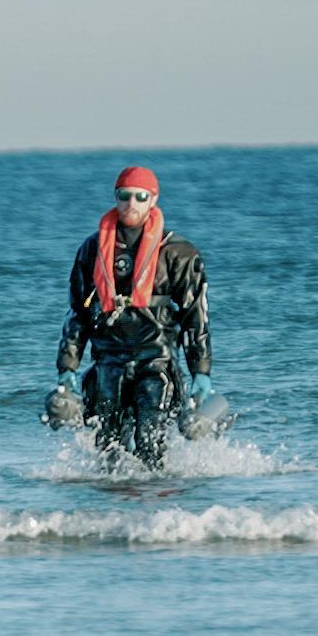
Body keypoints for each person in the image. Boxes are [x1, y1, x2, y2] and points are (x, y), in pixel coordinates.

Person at [54, 165, 212, 469]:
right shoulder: (91, 249)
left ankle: (154, 510)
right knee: (107, 449)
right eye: (124, 196)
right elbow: (77, 313)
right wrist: (67, 366)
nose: (131, 204)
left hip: (156, 361)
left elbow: (196, 315)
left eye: (140, 197)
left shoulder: (178, 252)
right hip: (107, 362)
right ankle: (112, 512)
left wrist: (201, 371)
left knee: (150, 445)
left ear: (152, 199)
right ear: (116, 197)